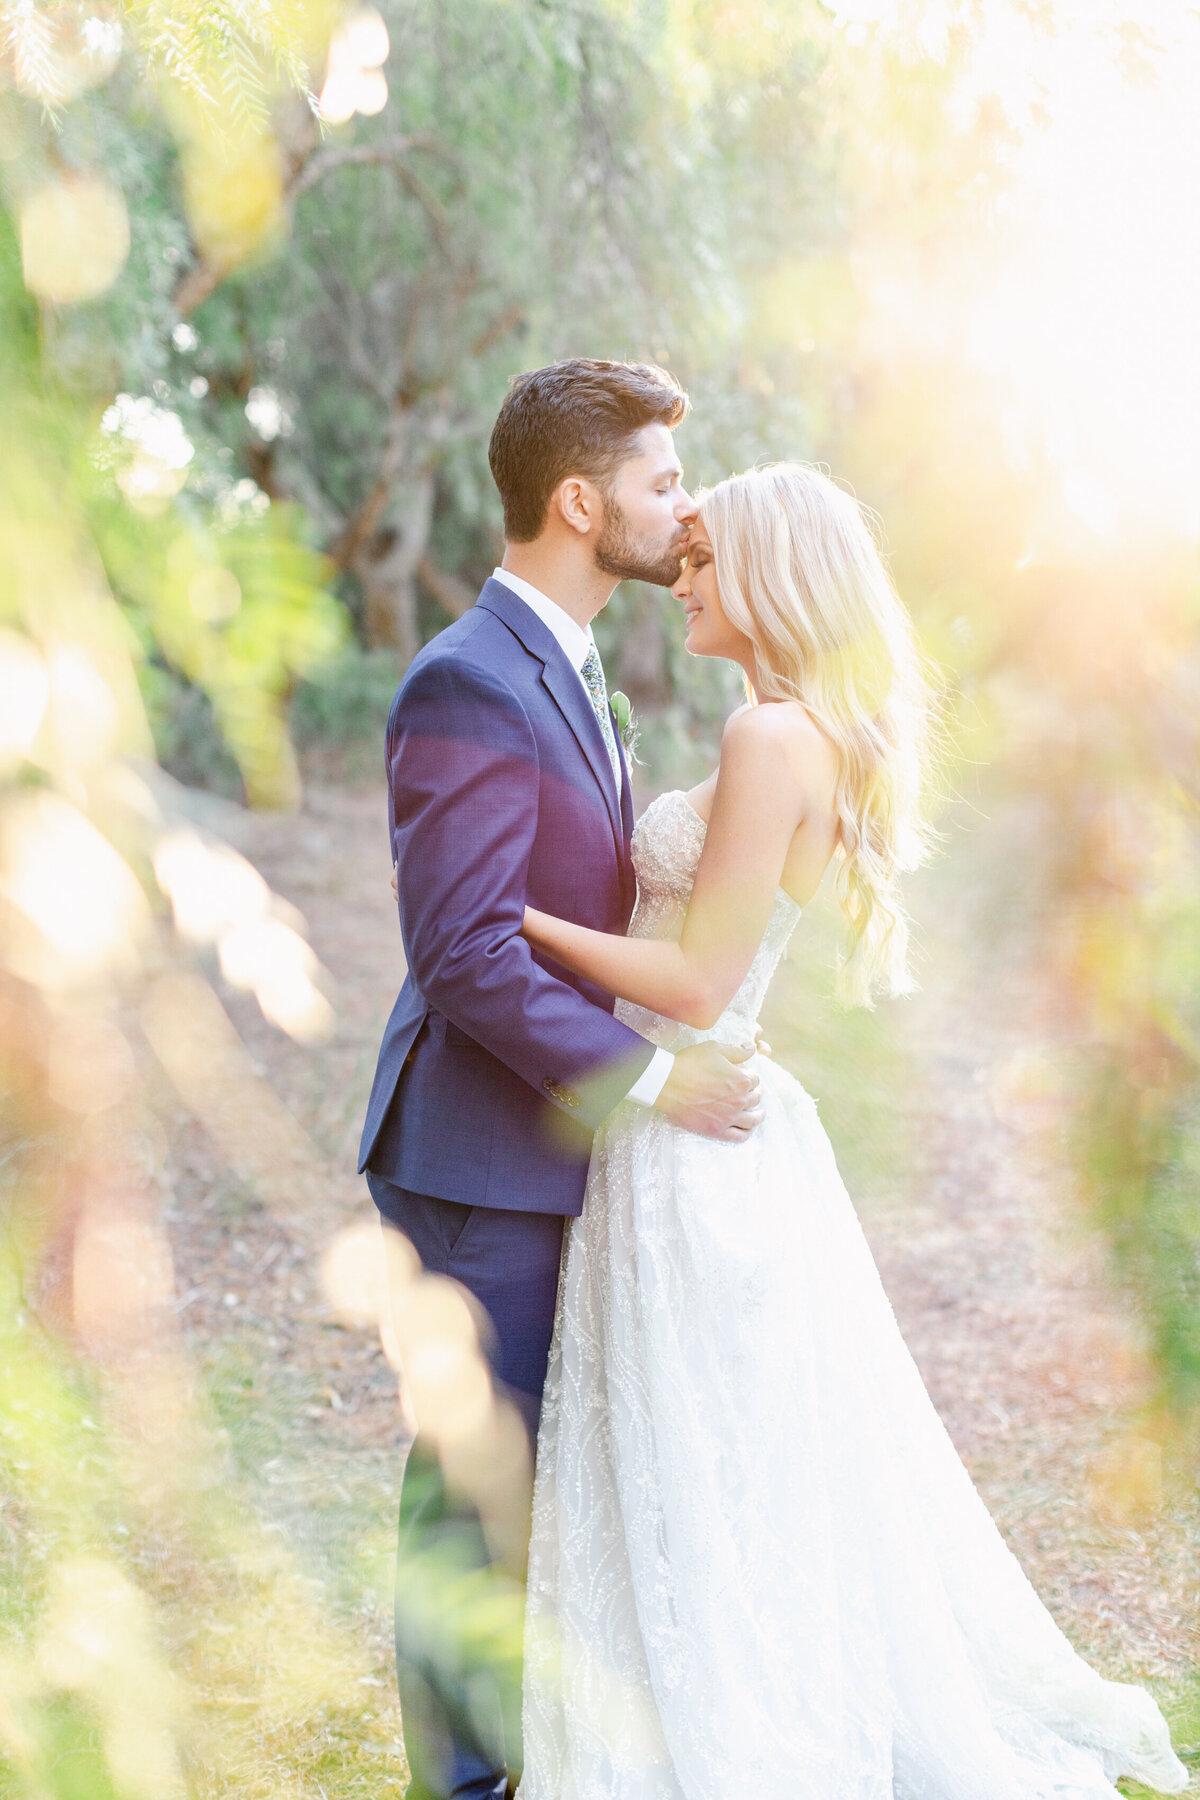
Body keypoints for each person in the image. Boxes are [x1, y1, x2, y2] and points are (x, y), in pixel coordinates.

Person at [515, 463, 1189, 1799]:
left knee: (704, 1453)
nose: (685, 579)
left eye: (703, 560)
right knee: (724, 1452)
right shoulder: (788, 727)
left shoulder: (771, 742)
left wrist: (514, 927)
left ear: (765, 576)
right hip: (714, 1121)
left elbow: (702, 979)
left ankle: (725, 1734)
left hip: (693, 1123)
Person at [358, 359, 765, 1800]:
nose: (686, 505)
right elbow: (466, 953)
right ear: (581, 502)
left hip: (540, 1152)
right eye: (662, 482)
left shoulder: (575, 669)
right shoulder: (469, 675)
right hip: (475, 1160)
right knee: (472, 1505)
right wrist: (653, 1088)